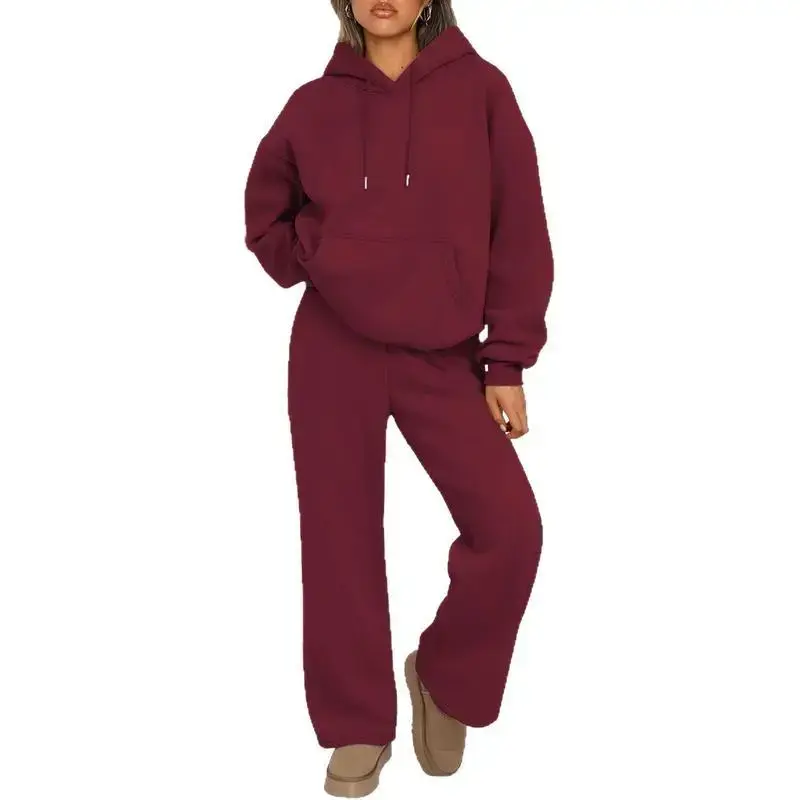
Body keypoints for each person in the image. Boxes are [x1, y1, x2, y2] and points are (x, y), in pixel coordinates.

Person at [244, 0, 554, 795]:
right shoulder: (314, 105)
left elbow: (519, 226)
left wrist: (507, 360)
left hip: (442, 351)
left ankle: (445, 676)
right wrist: (320, 250)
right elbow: (265, 219)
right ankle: (355, 724)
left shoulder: (482, 91)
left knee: (510, 529)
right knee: (338, 540)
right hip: (333, 347)